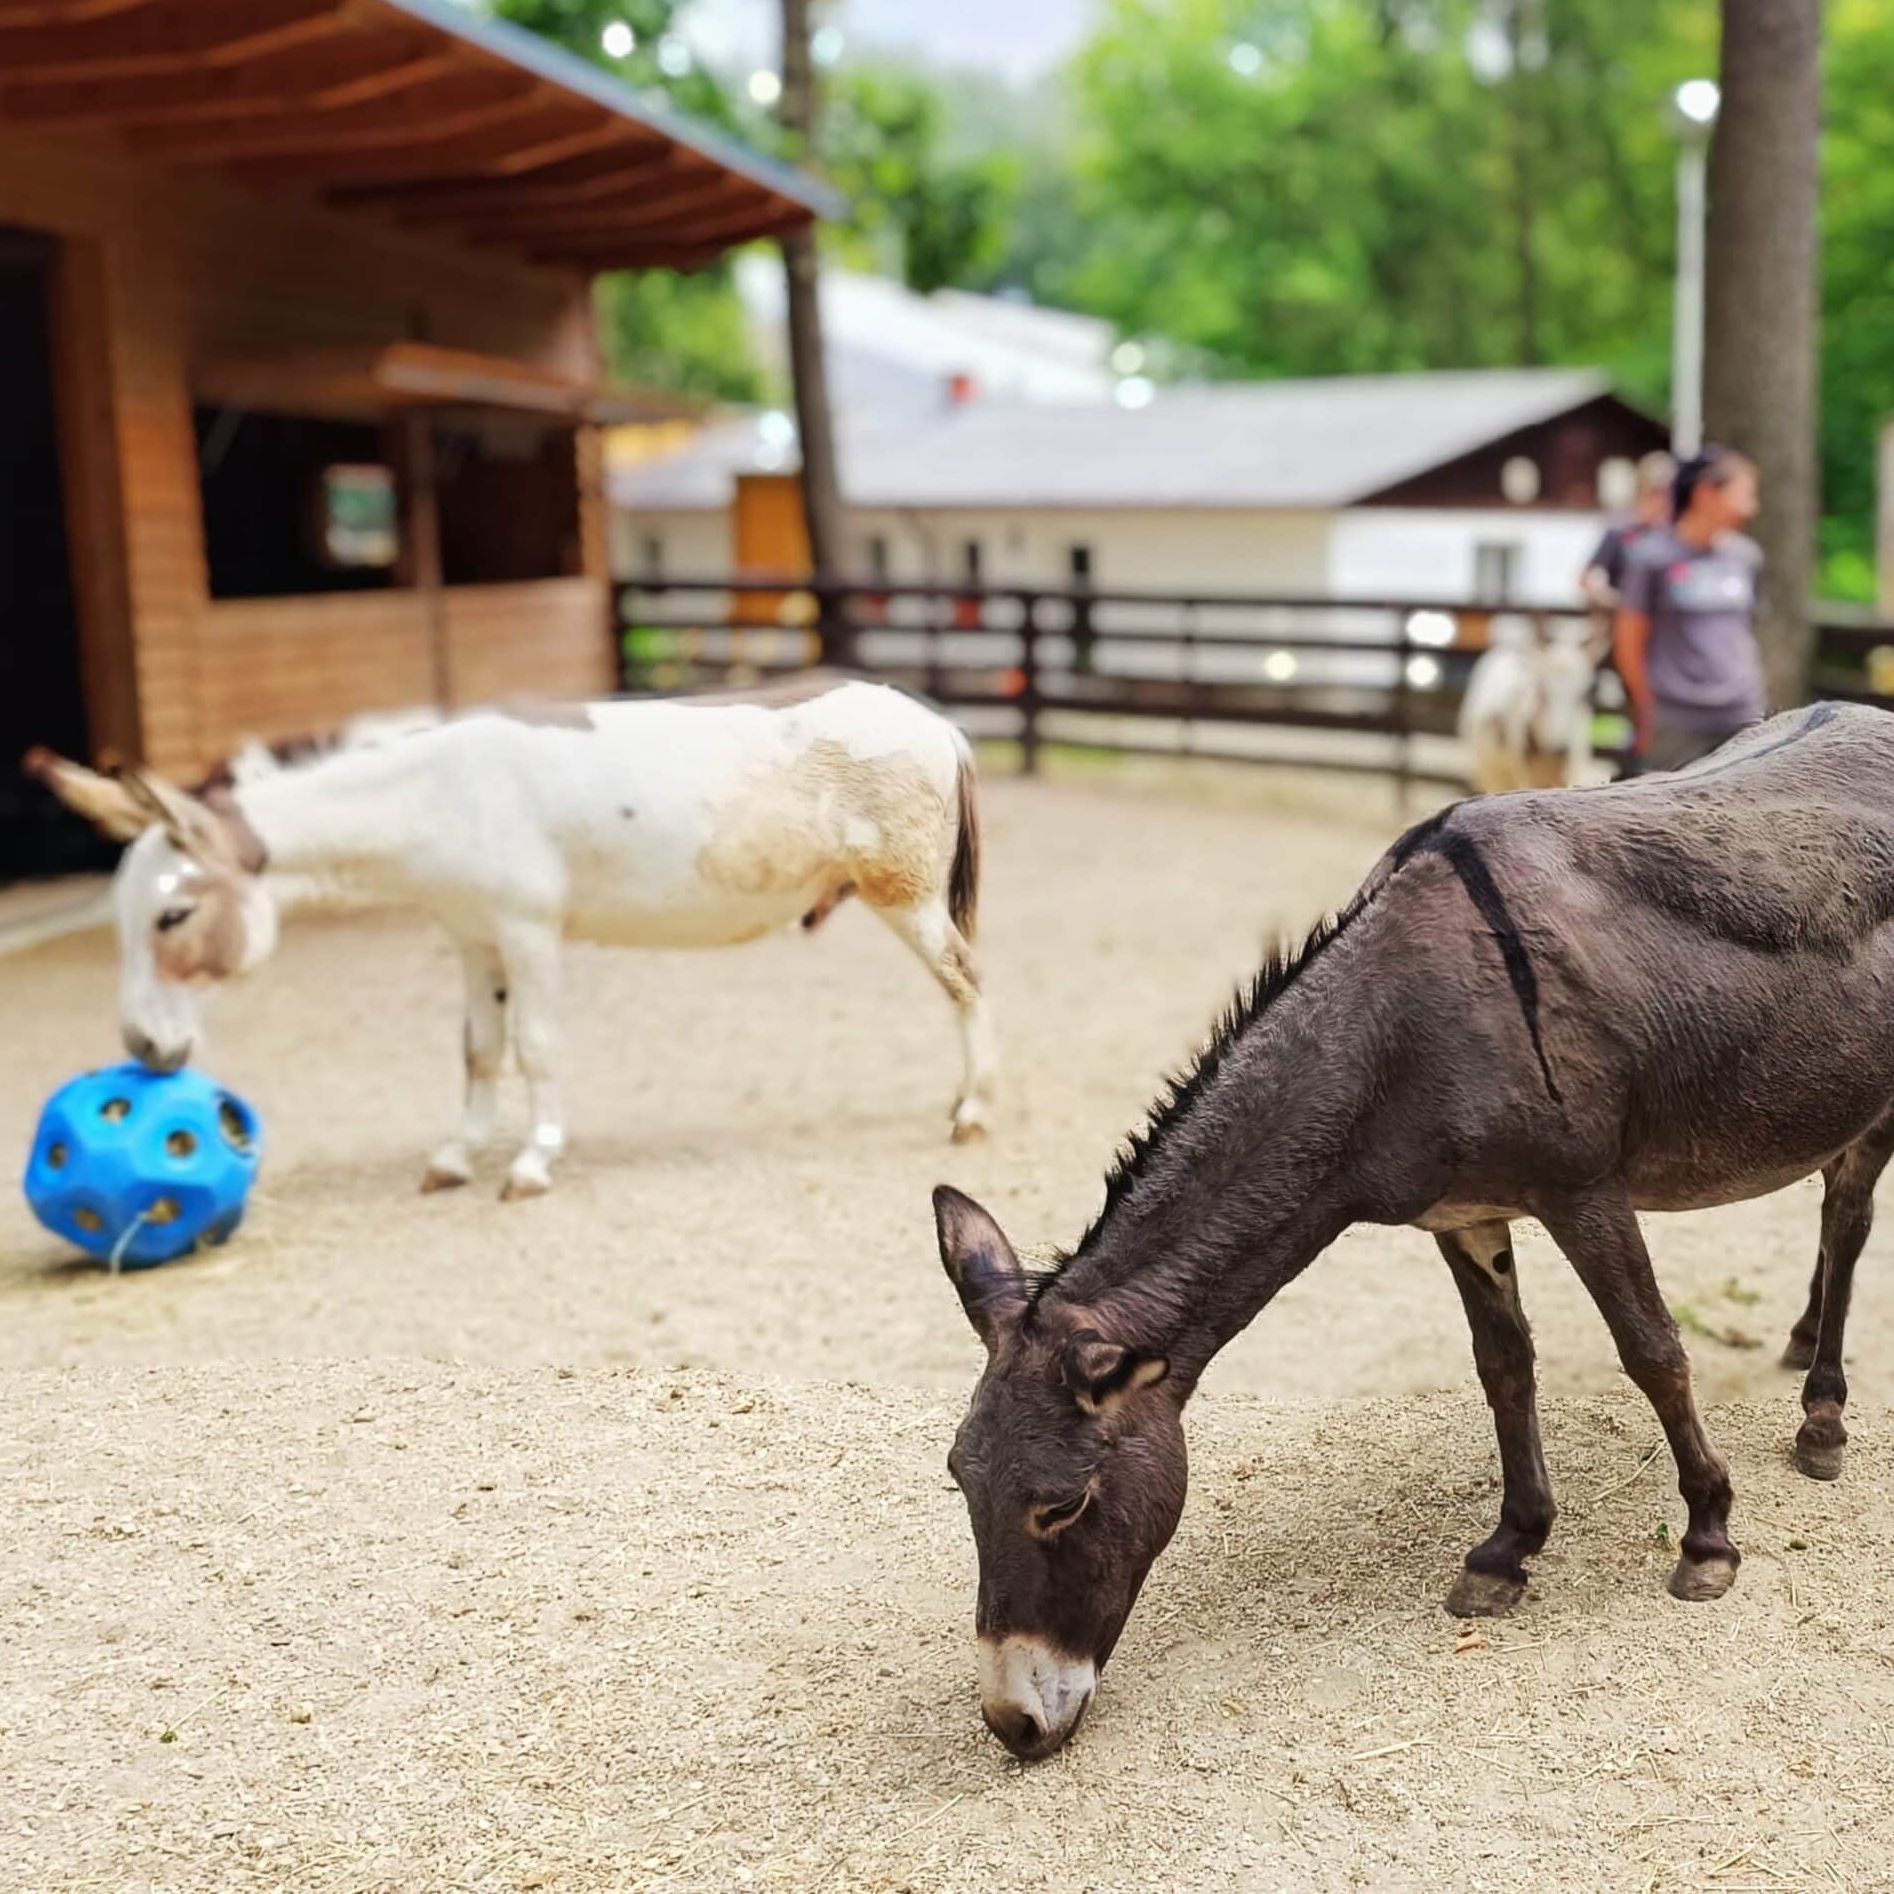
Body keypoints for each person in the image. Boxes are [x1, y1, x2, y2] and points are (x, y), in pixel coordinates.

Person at [1613, 444, 1767, 773]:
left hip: (1741, 715)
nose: (1752, 508)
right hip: (1676, 720)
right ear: (1706, 493)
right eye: (1745, 494)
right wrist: (1645, 709)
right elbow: (1629, 642)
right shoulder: (1651, 558)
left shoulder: (1745, 557)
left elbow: (1745, 633)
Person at [1580, 450, 1675, 615]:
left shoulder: (1675, 534)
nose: (1663, 500)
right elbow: (1589, 578)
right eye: (1657, 493)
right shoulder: (1621, 531)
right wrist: (1621, 602)